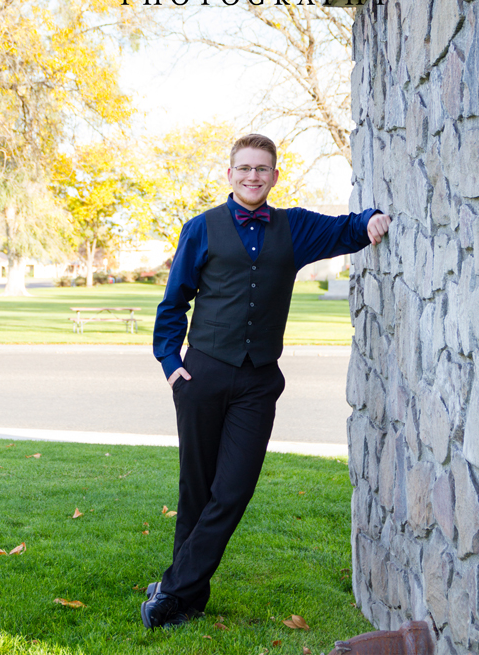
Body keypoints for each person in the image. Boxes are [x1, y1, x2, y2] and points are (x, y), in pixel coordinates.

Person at [144, 133, 391, 630]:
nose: (253, 176)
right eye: (245, 168)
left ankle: (169, 588)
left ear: (275, 175)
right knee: (197, 487)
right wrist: (171, 362)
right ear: (230, 174)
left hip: (258, 381)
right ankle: (186, 600)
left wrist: (371, 221)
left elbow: (346, 230)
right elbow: (174, 303)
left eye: (263, 169)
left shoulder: (294, 227)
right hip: (203, 374)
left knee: (233, 488)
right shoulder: (202, 228)